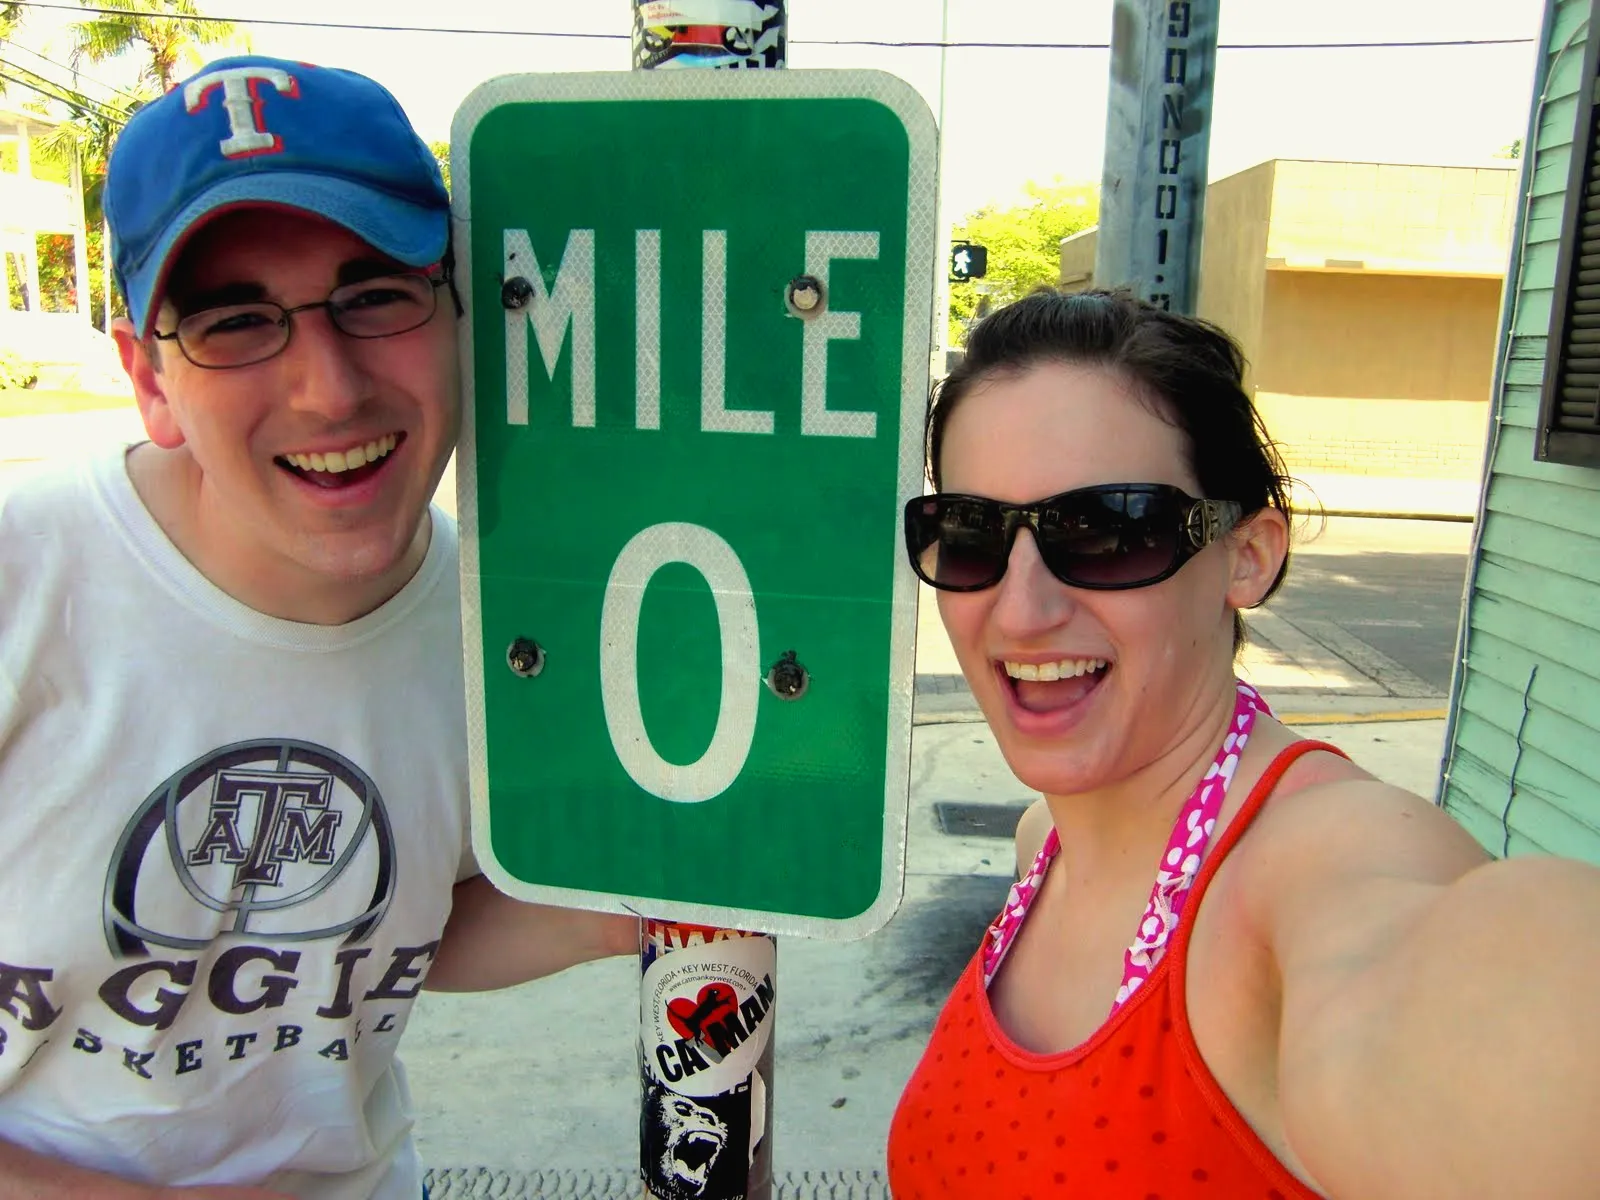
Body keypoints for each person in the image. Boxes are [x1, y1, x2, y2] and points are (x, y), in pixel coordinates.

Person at [0, 55, 635, 1199]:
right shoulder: (23, 583)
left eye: (376, 293)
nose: (329, 388)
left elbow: (384, 933)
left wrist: (623, 905)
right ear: (148, 377)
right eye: (238, 320)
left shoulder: (509, 635)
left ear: (459, 310)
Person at [887, 289, 1600, 1198]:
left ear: (1248, 554)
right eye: (972, 531)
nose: (1021, 612)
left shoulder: (1312, 867)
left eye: (1110, 529)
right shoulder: (1047, 845)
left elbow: (1500, 1020)